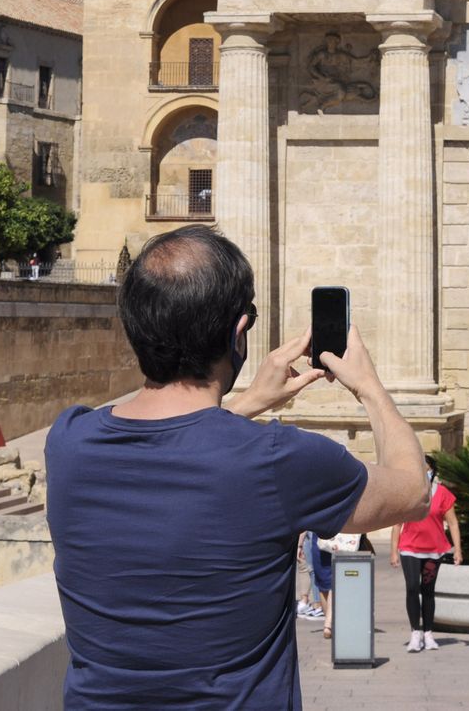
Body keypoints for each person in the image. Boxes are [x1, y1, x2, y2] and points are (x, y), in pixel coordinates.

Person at [45, 225, 430, 708]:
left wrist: (247, 402)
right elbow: (413, 491)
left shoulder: (69, 441)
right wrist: (369, 387)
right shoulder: (278, 460)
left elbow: (171, 442)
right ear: (238, 332)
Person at [390, 455, 464, 652]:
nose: (424, 471)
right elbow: (397, 523)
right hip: (409, 549)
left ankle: (428, 633)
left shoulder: (442, 493)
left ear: (432, 470)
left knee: (428, 591)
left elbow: (453, 523)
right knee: (413, 588)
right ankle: (415, 633)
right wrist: (394, 551)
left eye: (427, 467)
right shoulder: (407, 493)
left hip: (434, 550)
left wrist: (457, 549)